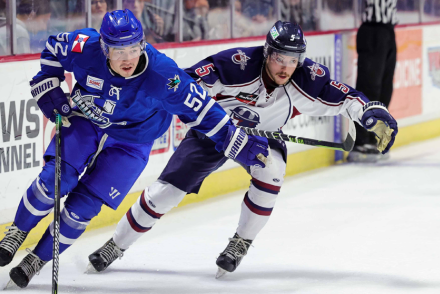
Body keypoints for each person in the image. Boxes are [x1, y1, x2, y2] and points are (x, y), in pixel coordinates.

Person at [87, 21, 399, 278]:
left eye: (293, 59)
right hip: (214, 133)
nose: (286, 67)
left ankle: (241, 241)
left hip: (261, 138)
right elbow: (183, 85)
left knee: (273, 172)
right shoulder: (235, 64)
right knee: (164, 193)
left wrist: (371, 111)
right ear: (267, 53)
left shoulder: (307, 78)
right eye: (280, 58)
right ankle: (116, 244)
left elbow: (346, 98)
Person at [0, 9, 269, 288]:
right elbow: (52, 48)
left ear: (142, 43)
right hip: (89, 118)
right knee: (54, 179)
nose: (128, 58)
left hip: (133, 139)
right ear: (103, 47)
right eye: (118, 50)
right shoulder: (84, 46)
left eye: (134, 48)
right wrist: (47, 81)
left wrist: (235, 139)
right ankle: (17, 232)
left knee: (82, 208)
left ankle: (37, 259)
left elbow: (204, 112)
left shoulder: (164, 76)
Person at [347, 0, 397, 162]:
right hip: (372, 30)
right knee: (369, 86)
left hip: (388, 30)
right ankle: (360, 140)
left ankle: (373, 136)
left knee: (385, 88)